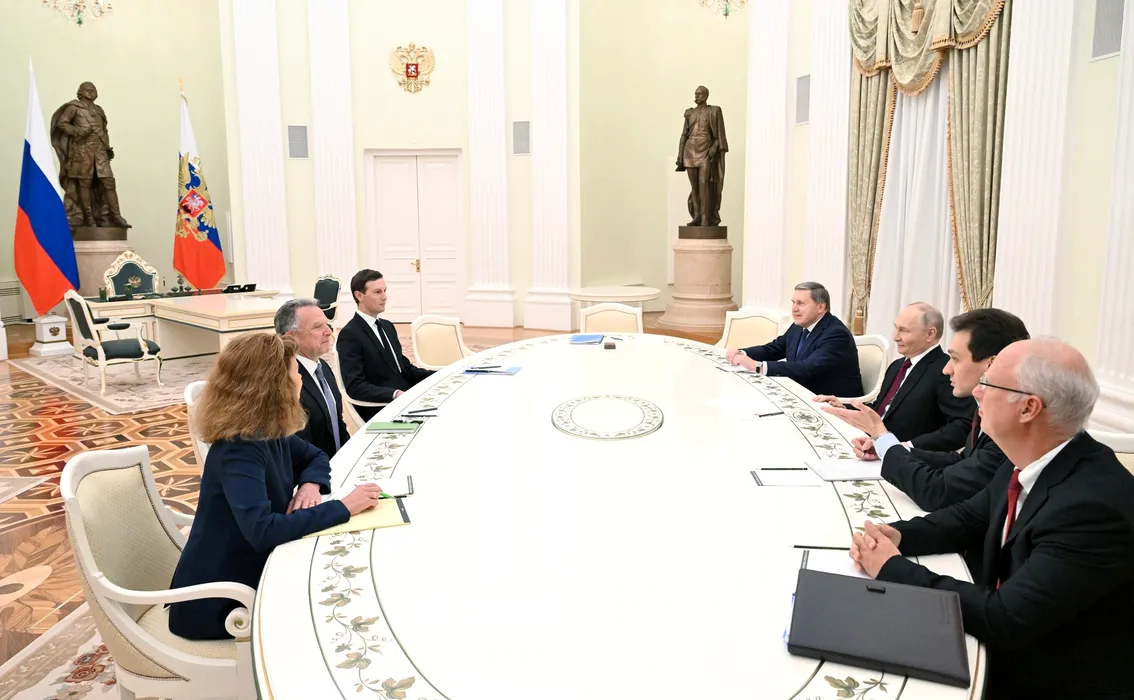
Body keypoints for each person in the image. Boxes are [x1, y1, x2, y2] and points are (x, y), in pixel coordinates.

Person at [848, 338, 1134, 698]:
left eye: (988, 383)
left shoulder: (1092, 509)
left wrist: (892, 569)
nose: (976, 393)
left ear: (1028, 408)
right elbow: (970, 517)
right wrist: (900, 535)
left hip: (1048, 675)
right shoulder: (1032, 456)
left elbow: (1005, 618)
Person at [168, 334, 382, 640]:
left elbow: (316, 456)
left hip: (253, 567)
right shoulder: (239, 449)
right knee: (326, 617)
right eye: (295, 371)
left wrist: (310, 485)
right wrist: (345, 506)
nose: (300, 378)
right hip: (220, 600)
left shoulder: (266, 431)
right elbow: (264, 531)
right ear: (274, 385)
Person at [821, 309, 1030, 514]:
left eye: (956, 359)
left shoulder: (1009, 428)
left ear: (992, 365)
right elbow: (963, 461)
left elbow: (938, 491)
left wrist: (885, 440)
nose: (947, 369)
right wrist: (889, 448)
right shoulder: (897, 365)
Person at [816, 303, 973, 451]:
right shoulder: (897, 365)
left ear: (930, 334)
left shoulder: (945, 371)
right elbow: (882, 409)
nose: (895, 337)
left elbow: (963, 426)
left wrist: (905, 447)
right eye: (896, 328)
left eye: (903, 331)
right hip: (869, 443)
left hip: (905, 458)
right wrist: (844, 407)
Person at [726, 282, 862, 397]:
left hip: (833, 405)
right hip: (800, 394)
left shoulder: (836, 334)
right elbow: (775, 348)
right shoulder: (799, 326)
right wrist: (742, 353)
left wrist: (757, 366)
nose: (794, 309)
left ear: (820, 307)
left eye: (800, 303)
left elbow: (806, 369)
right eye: (793, 303)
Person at [336, 269, 434, 421]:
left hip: (406, 400)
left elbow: (405, 369)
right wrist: (395, 394)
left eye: (385, 290)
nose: (384, 297)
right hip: (382, 409)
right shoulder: (350, 335)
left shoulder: (387, 326)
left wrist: (440, 374)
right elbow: (355, 386)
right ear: (359, 296)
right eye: (377, 292)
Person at [275, 298, 349, 458]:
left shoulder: (322, 366)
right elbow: (298, 449)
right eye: (317, 327)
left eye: (327, 324)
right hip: (315, 469)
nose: (328, 331)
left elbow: (337, 422)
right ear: (291, 337)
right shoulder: (285, 379)